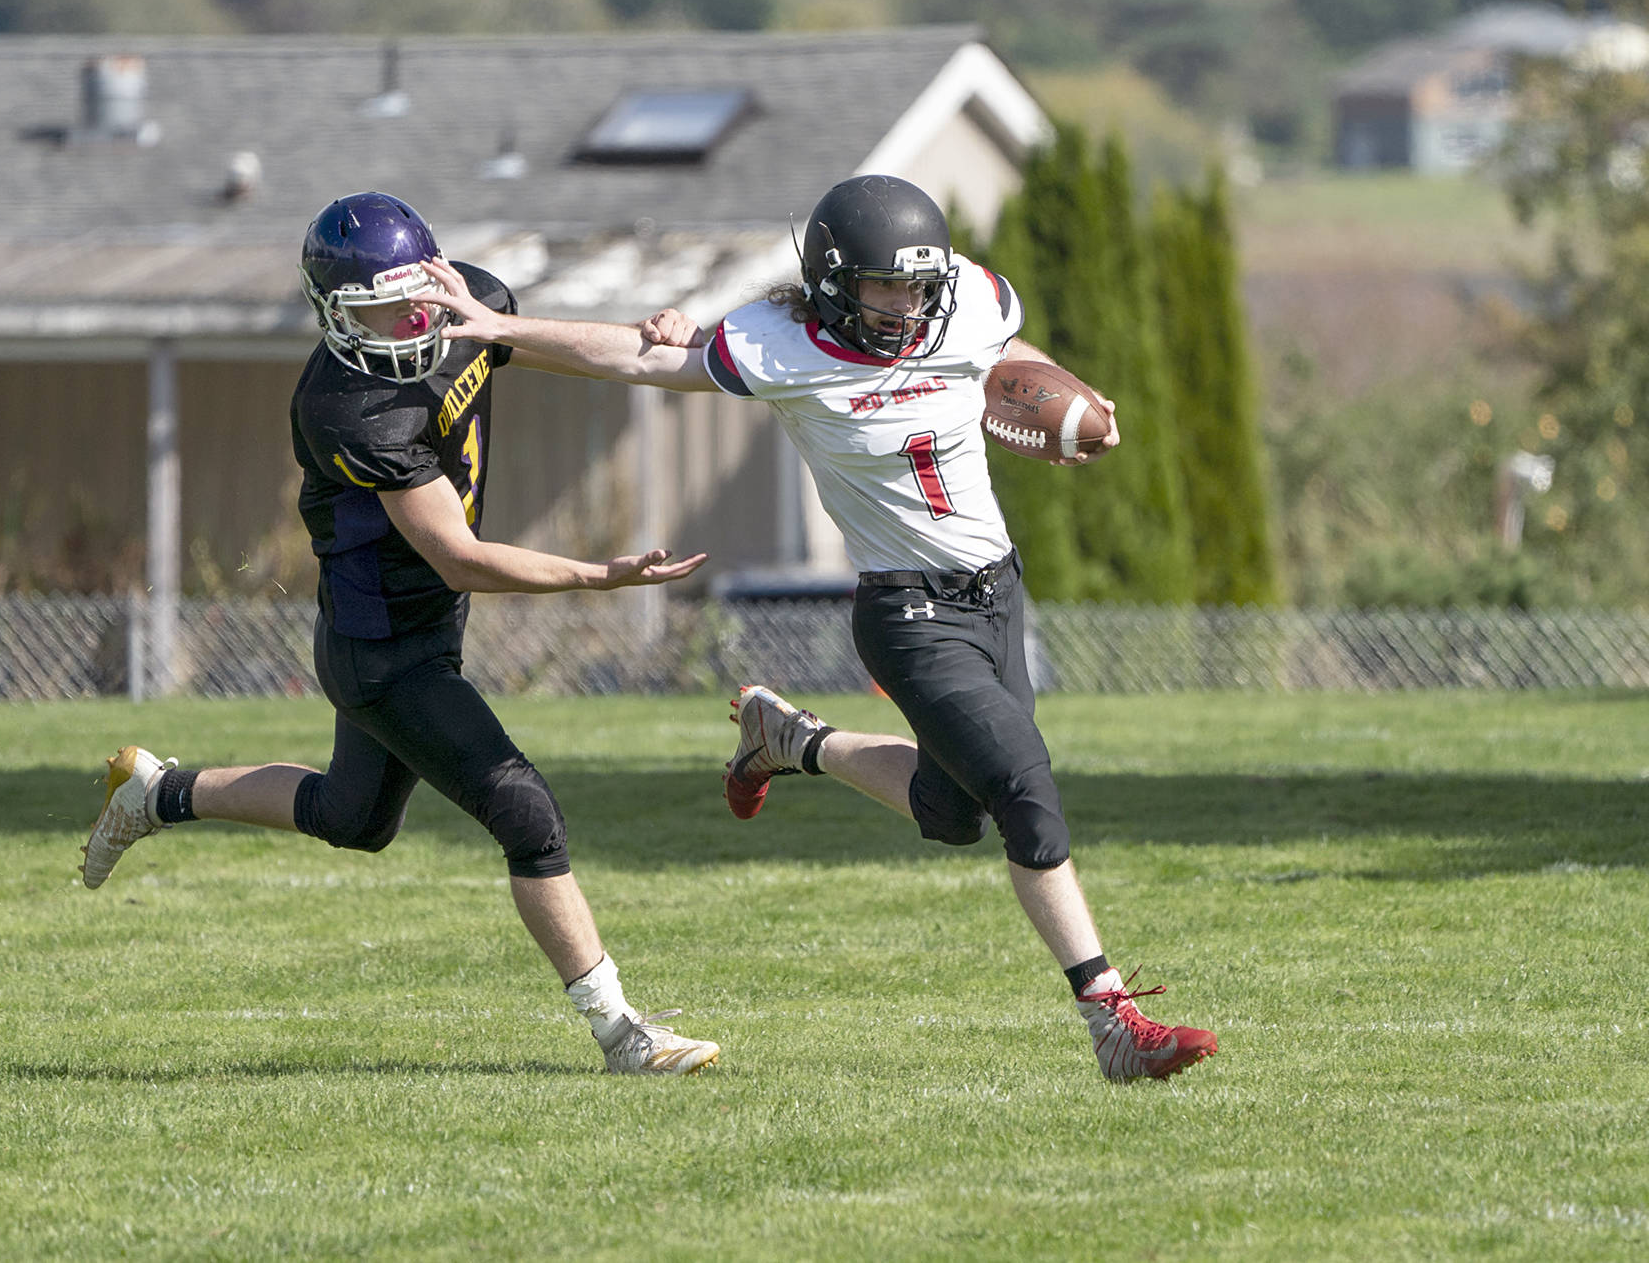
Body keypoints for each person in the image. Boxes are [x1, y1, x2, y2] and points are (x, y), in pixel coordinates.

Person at [406, 173, 1218, 1083]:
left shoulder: (969, 298)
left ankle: (791, 740)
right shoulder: (779, 344)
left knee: (954, 812)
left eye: (919, 287)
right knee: (1024, 788)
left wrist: (1070, 399)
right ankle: (1112, 1023)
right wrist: (501, 329)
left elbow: (997, 345)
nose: (907, 307)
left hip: (999, 593)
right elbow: (637, 360)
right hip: (909, 614)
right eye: (885, 288)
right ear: (833, 281)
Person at [80, 191, 719, 1077]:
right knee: (527, 816)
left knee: (354, 819)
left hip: (419, 626)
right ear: (336, 315)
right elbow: (458, 557)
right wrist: (599, 577)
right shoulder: (346, 407)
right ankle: (623, 1035)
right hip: (380, 651)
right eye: (382, 308)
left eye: (419, 296)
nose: (412, 320)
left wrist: (660, 337)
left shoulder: (470, 298)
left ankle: (158, 794)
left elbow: (555, 345)